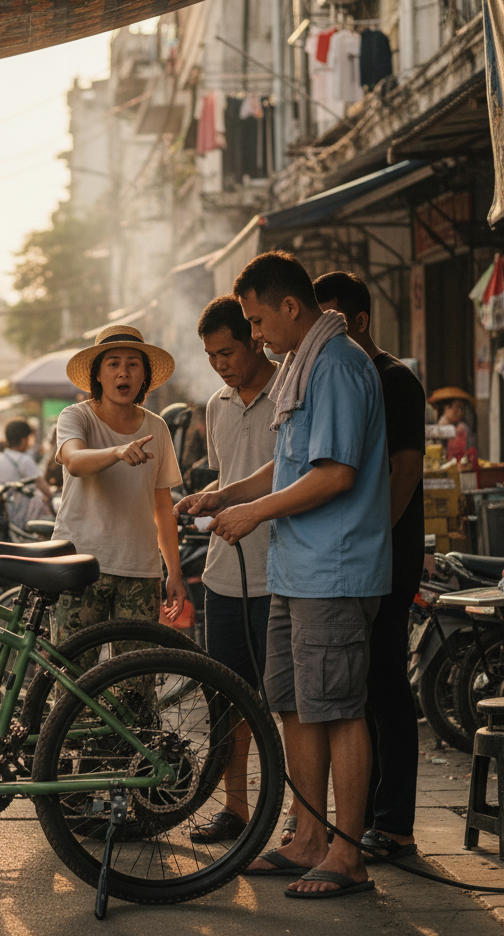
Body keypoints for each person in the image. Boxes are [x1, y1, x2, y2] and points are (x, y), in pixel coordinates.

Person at [189, 251, 390, 898]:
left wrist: (252, 514)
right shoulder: (302, 367)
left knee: (338, 708)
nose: (254, 335)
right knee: (293, 703)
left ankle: (347, 852)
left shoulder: (334, 365)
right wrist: (225, 496)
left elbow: (335, 475)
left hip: (335, 568)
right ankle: (307, 836)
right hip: (296, 567)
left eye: (255, 320)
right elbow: (290, 464)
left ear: (290, 307)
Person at [314, 271, 424, 865]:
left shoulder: (393, 380)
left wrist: (372, 537)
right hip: (355, 557)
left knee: (385, 683)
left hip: (386, 555)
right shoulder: (339, 375)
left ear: (358, 322)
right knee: (360, 687)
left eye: (330, 321)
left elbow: (403, 471)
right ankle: (370, 818)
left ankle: (396, 824)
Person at [173, 295, 278, 842]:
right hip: (223, 575)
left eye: (228, 351)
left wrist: (230, 498)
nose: (221, 364)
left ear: (256, 337)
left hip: (278, 572)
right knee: (228, 699)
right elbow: (231, 477)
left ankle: (297, 819)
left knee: (287, 704)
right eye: (212, 355)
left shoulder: (291, 391)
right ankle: (236, 808)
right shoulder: (215, 404)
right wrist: (202, 499)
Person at [51, 324, 186, 650]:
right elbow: (74, 461)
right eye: (113, 363)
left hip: (140, 571)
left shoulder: (157, 427)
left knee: (136, 684)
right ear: (98, 374)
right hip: (78, 565)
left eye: (132, 364)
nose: (122, 372)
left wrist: (174, 573)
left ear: (144, 376)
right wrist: (117, 452)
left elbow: (163, 507)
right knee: (72, 678)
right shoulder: (75, 417)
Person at [428, 387, 474, 461]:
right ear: (447, 408)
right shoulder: (438, 429)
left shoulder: (463, 427)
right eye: (458, 407)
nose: (461, 412)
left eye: (462, 408)